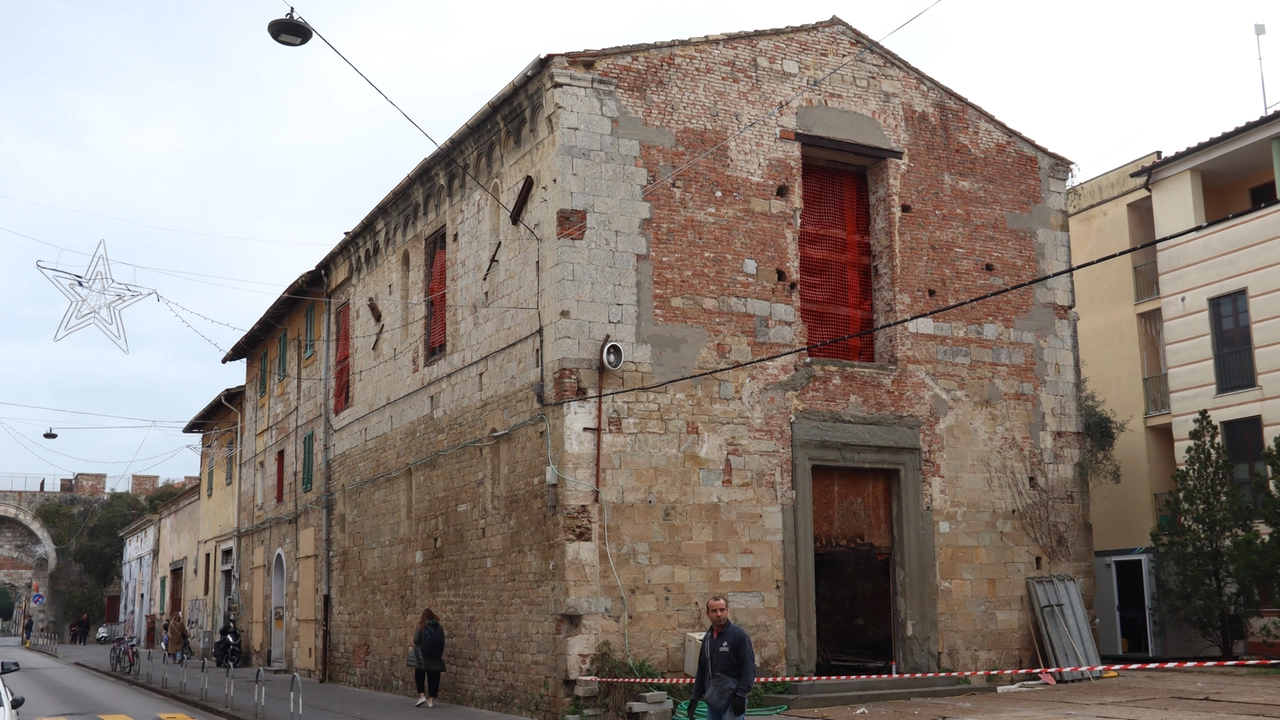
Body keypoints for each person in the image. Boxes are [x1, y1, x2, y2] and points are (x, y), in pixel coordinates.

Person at [687, 595, 755, 720]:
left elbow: (748, 668)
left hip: (732, 700)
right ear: (708, 614)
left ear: (727, 611)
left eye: (722, 610)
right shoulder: (707, 638)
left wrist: (741, 695)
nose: (719, 614)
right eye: (714, 611)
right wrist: (694, 697)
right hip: (713, 699)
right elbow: (702, 670)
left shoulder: (739, 636)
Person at [409, 608, 446, 708]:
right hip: (436, 658)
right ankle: (431, 700)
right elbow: (442, 642)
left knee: (419, 675)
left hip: (422, 657)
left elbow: (416, 640)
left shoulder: (421, 626)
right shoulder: (439, 628)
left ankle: (422, 696)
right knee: (434, 678)